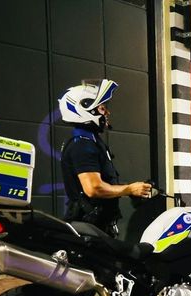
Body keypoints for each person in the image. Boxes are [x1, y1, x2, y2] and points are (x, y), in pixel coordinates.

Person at [59, 79, 151, 238]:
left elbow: (103, 183)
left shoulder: (90, 142)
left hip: (96, 227)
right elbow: (94, 188)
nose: (107, 113)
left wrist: (132, 190)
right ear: (85, 109)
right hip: (88, 231)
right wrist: (128, 189)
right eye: (102, 108)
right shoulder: (83, 145)